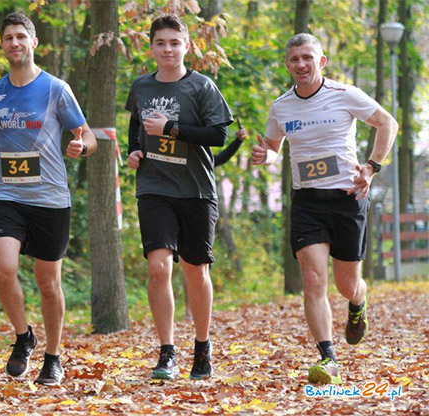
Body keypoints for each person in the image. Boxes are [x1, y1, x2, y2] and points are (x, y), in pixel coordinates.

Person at [0, 12, 96, 386]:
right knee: (3, 271)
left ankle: (53, 356)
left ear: (33, 43)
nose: (14, 43)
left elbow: (89, 136)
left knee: (48, 283)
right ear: (2, 46)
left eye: (21, 36)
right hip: (8, 194)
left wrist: (81, 146)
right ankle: (23, 337)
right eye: (7, 38)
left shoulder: (56, 89)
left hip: (50, 197)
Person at [251, 33, 397, 385]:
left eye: (307, 57)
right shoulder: (281, 106)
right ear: (287, 65)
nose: (301, 65)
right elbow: (273, 146)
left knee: (347, 284)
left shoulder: (344, 95)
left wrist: (372, 166)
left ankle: (358, 303)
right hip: (307, 203)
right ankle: (327, 358)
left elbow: (387, 123)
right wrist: (265, 156)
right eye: (294, 60)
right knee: (314, 280)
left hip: (347, 199)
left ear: (321, 61)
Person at [125, 14, 233, 380]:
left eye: (174, 43)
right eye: (161, 43)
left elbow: (218, 135)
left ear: (187, 46)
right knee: (158, 268)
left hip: (196, 189)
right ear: (151, 47)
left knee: (196, 271)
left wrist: (171, 128)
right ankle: (167, 351)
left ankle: (202, 347)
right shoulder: (141, 86)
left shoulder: (202, 86)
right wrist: (134, 151)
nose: (167, 49)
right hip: (154, 187)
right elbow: (136, 125)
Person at [182, 123, 247, 322]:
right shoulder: (183, 155)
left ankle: (198, 309)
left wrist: (238, 141)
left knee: (201, 264)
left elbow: (220, 158)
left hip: (203, 208)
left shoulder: (205, 157)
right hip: (180, 206)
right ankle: (188, 311)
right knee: (187, 264)